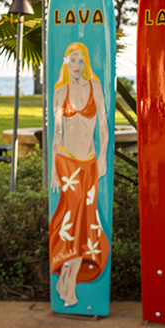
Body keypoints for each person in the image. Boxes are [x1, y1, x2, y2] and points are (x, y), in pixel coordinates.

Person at [49, 42, 110, 307]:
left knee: (85, 224)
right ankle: (69, 284)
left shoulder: (95, 88)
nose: (77, 65)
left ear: (86, 63)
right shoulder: (59, 91)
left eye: (81, 60)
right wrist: (53, 169)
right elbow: (57, 133)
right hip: (66, 163)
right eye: (72, 60)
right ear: (66, 63)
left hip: (89, 164)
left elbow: (105, 126)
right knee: (71, 222)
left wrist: (104, 156)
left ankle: (67, 280)